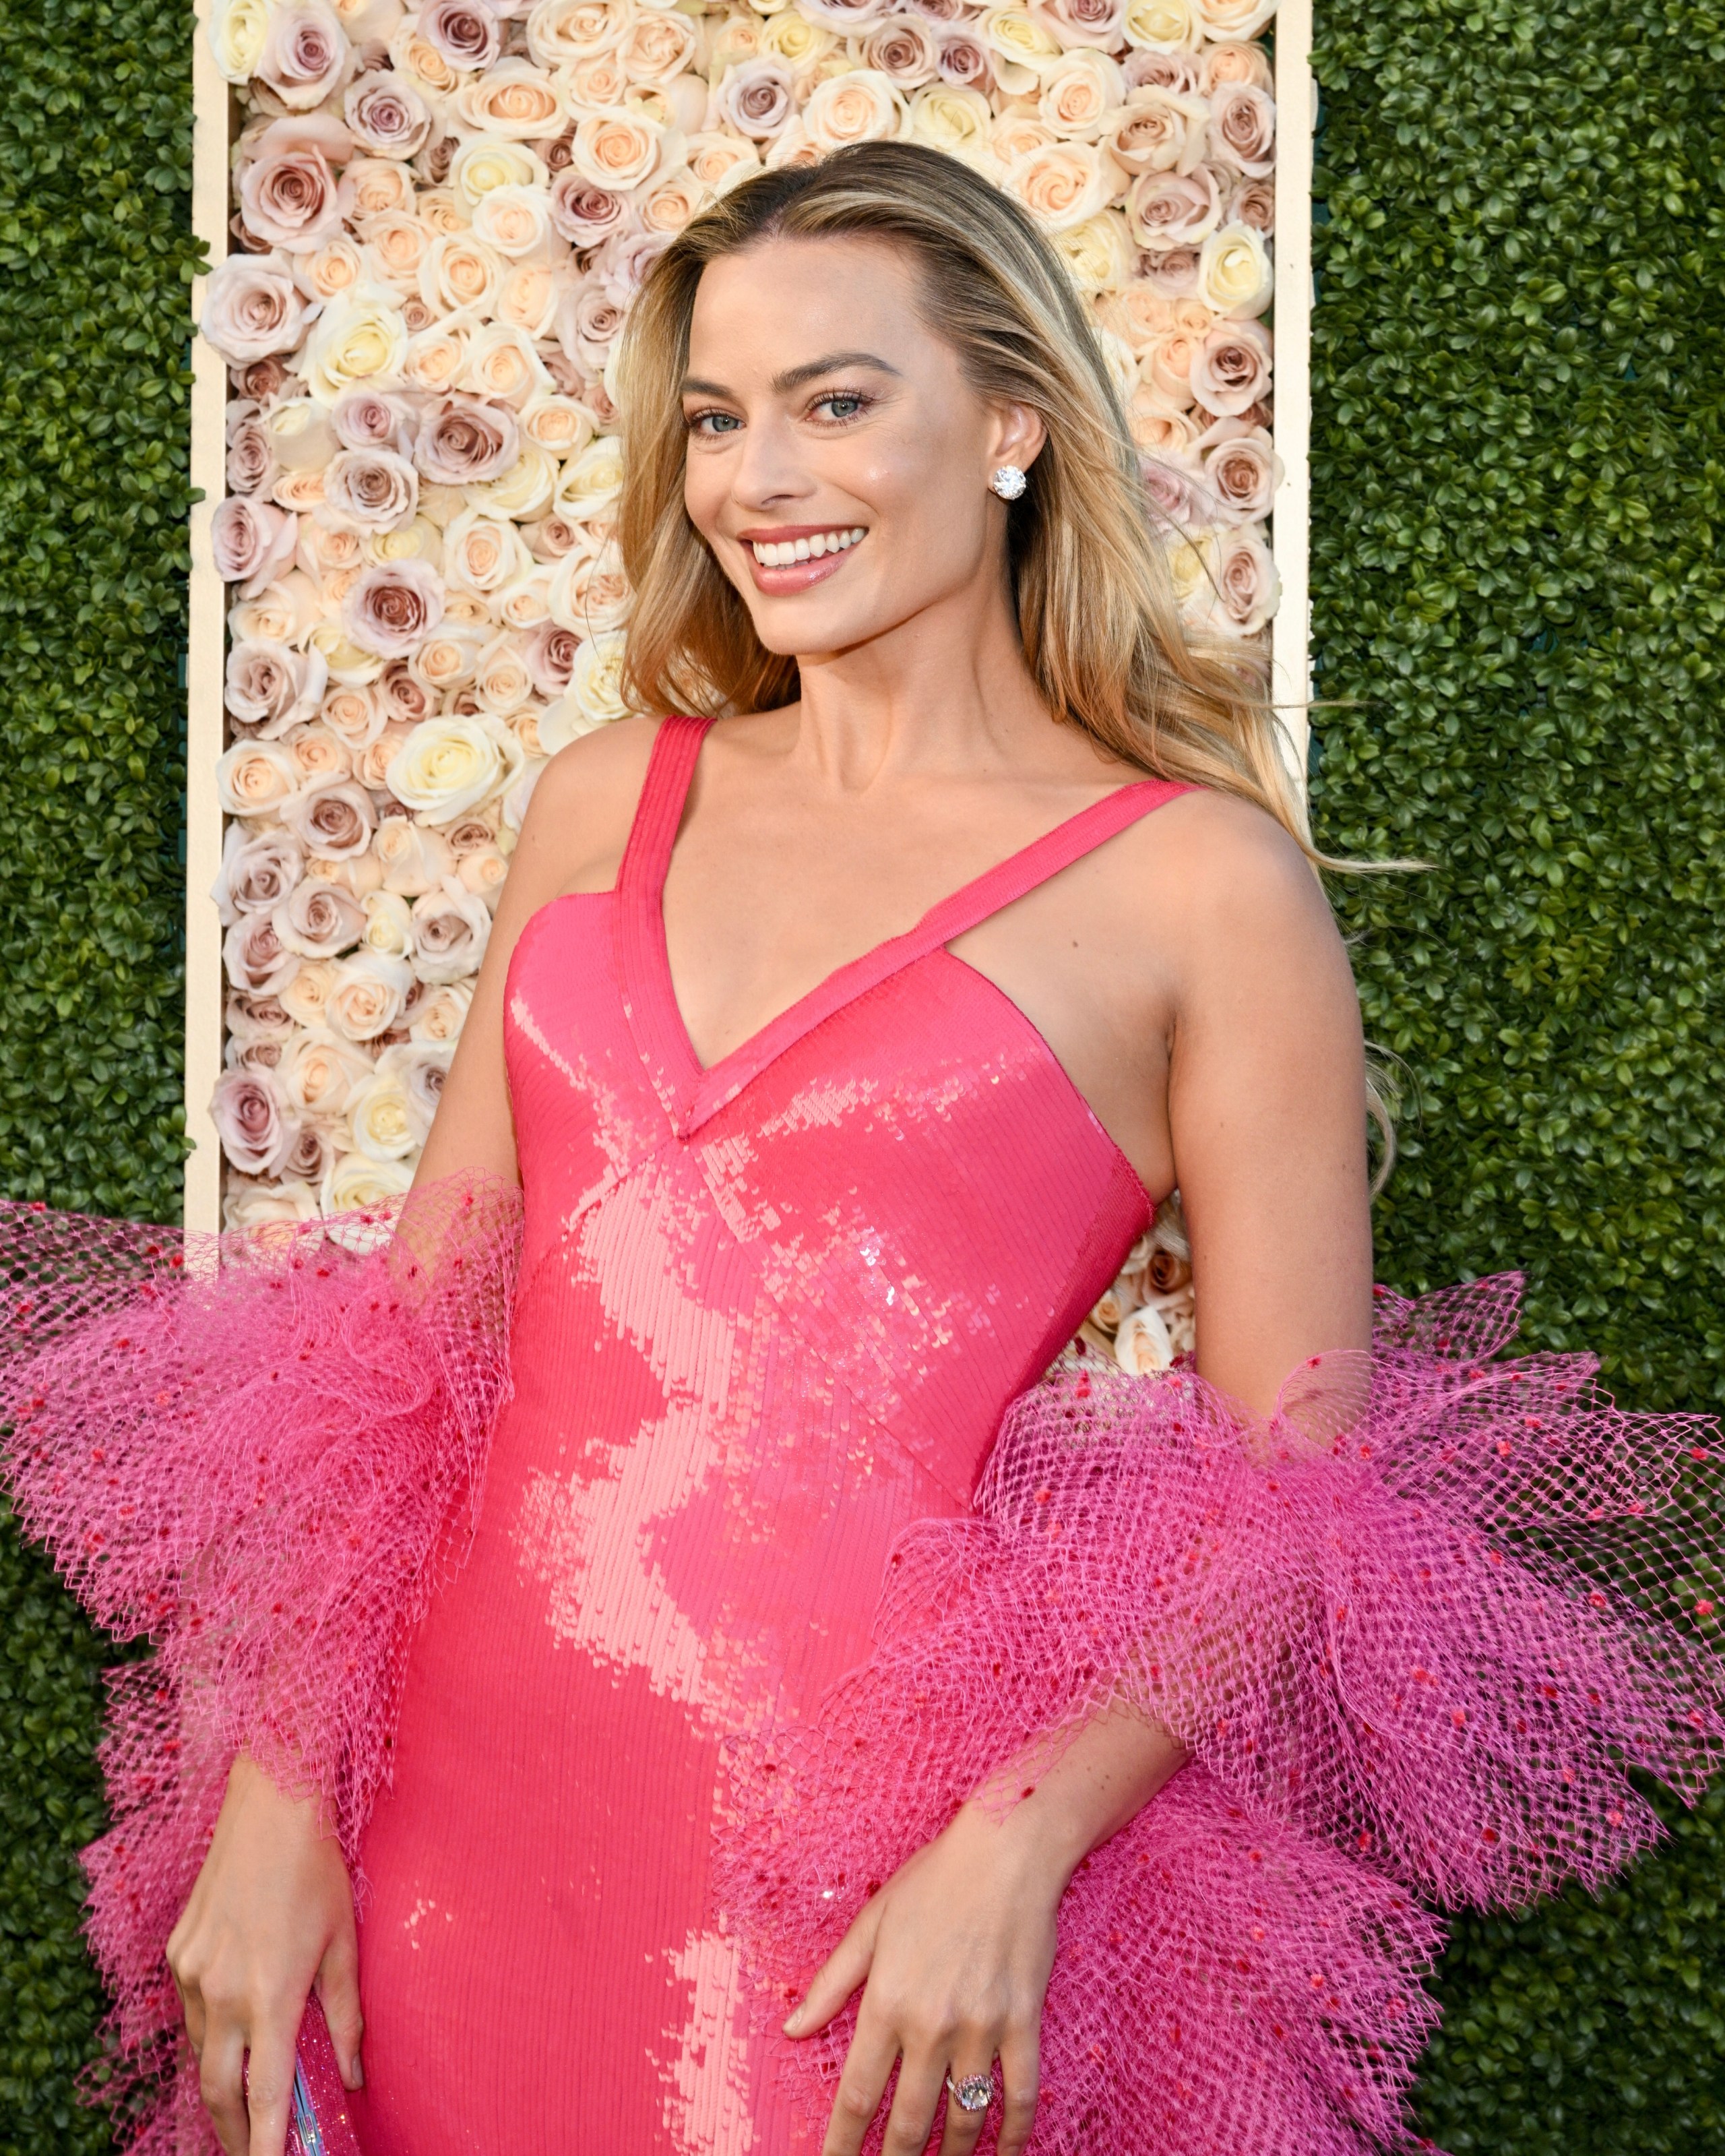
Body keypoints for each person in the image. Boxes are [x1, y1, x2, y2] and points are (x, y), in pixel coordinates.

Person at [3, 144, 1718, 2156]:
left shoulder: (1201, 891)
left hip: (856, 1899)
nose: (756, 478)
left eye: (836, 401)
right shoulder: (602, 800)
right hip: (431, 1835)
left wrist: (1015, 1851)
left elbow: (1300, 1500)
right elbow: (412, 1354)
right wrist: (278, 1803)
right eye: (719, 419)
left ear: (1010, 421)